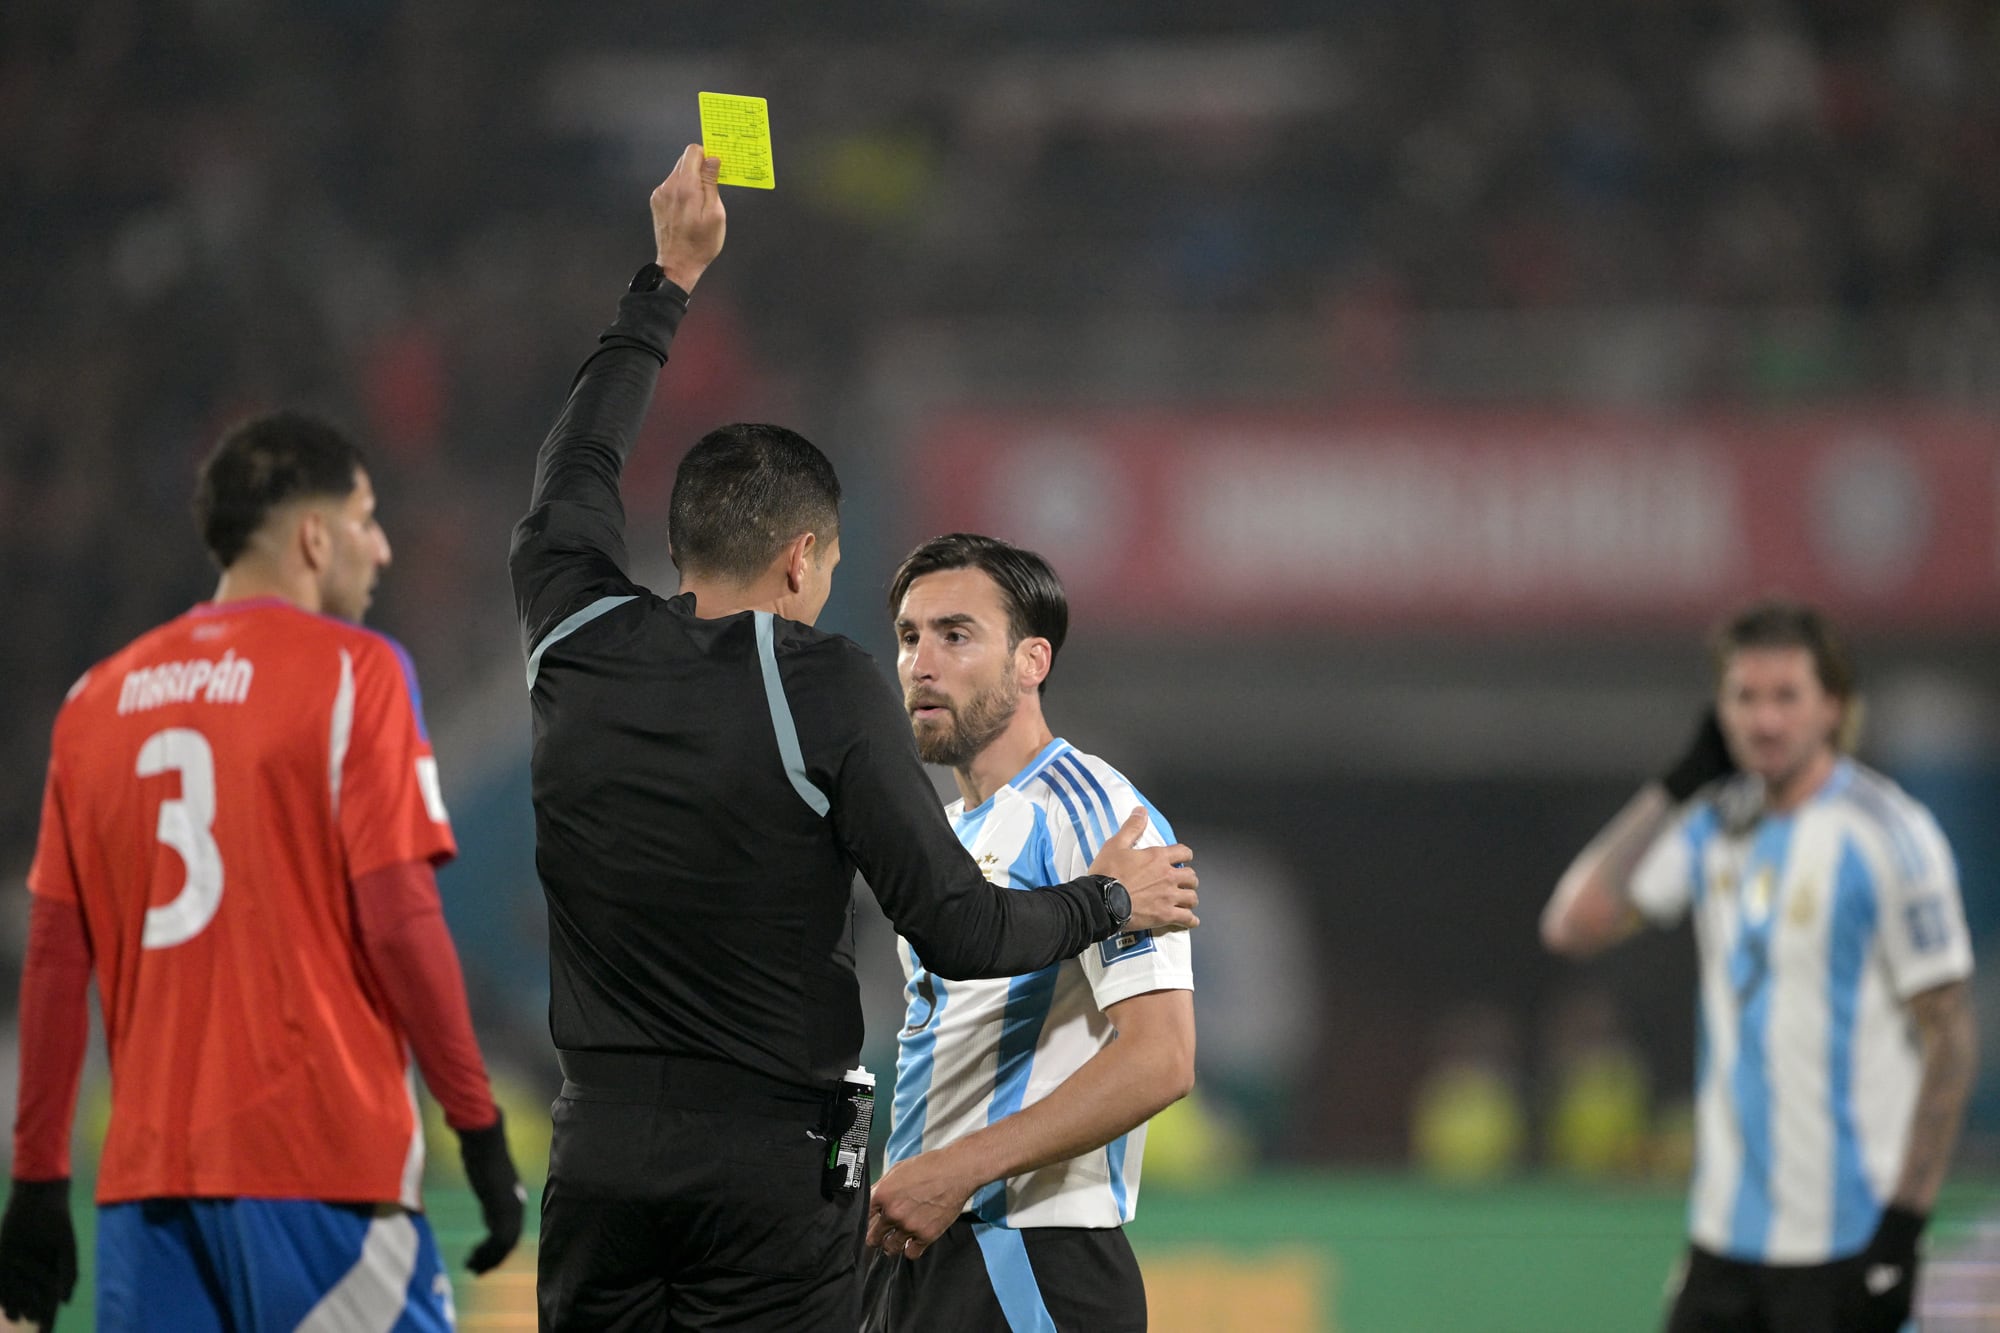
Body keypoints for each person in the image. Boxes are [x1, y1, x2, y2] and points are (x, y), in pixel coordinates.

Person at [510, 145, 1199, 1333]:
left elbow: (573, 463)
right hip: (767, 1169)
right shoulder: (816, 682)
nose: (913, 656)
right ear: (800, 560)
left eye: (952, 634)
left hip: (598, 1154)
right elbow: (961, 927)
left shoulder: (571, 632)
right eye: (898, 624)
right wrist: (1105, 899)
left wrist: (665, 282)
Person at [0, 411, 525, 1330]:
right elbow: (400, 921)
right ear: (314, 536)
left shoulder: (93, 702)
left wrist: (39, 1181)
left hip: (144, 1196)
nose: (383, 547)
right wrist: (476, 1125)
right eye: (366, 518)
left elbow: (52, 961)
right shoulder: (356, 672)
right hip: (322, 1172)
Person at [1541, 597, 1977, 1333]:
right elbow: (1574, 923)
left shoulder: (1889, 836)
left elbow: (1951, 1036)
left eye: (1786, 697)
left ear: (1832, 708)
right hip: (1723, 1243)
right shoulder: (1715, 824)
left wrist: (1904, 1227)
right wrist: (1676, 784)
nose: (1766, 720)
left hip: (1844, 1240)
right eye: (1745, 698)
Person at [859, 534, 1197, 1333]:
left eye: (956, 634)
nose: (921, 664)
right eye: (909, 637)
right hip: (925, 1247)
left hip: (1031, 1255)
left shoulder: (1095, 811)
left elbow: (1162, 1057)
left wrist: (960, 1168)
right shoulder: (949, 829)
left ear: (1031, 660)